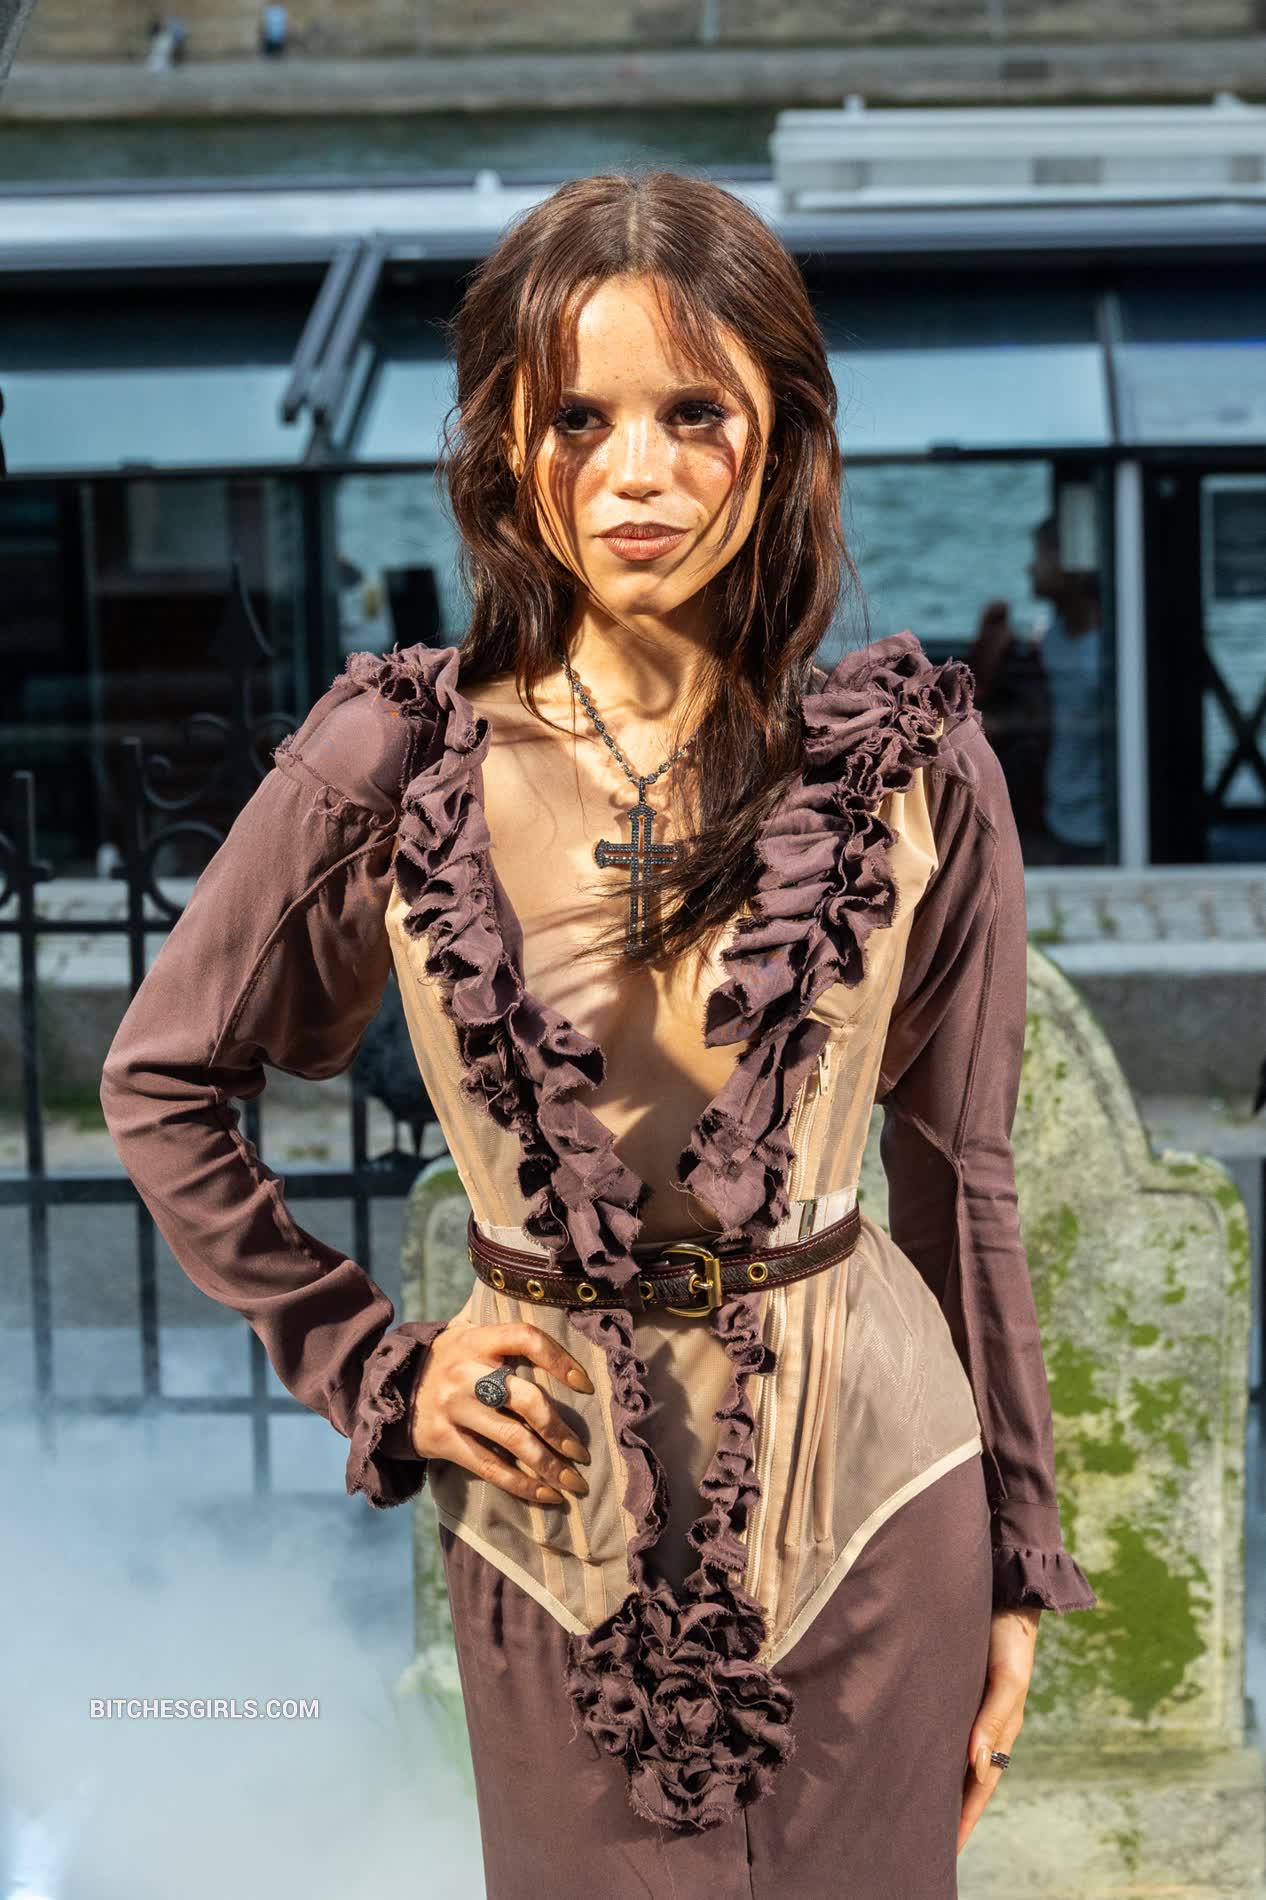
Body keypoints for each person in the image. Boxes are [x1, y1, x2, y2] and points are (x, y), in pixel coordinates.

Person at [99, 170, 1096, 1898]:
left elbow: (960, 1179)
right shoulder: (394, 763)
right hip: (552, 1512)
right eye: (579, 417)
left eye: (695, 413)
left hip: (882, 1489)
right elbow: (161, 1081)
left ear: (783, 436)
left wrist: (1016, 1558)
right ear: (506, 440)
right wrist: (376, 1366)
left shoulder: (914, 769)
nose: (635, 474)